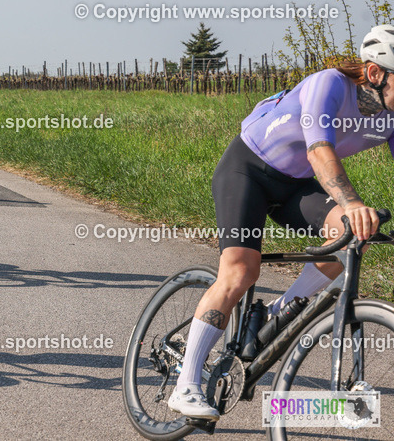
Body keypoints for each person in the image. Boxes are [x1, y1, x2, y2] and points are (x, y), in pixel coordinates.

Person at [168, 25, 394, 420]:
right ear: (375, 73)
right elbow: (319, 149)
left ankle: (282, 310)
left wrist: (354, 214)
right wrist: (353, 202)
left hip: (296, 184)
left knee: (347, 237)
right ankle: (186, 384)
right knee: (240, 271)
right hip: (248, 170)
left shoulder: (389, 117)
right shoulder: (330, 84)